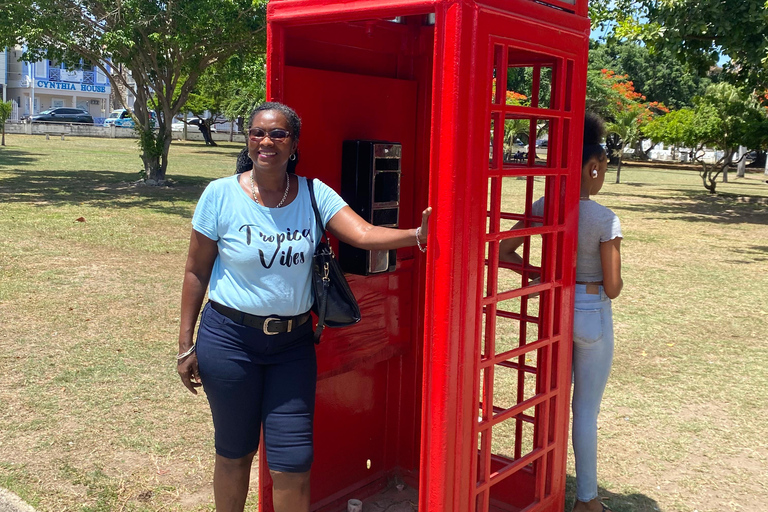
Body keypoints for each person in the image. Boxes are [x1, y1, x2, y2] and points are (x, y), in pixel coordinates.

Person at [176, 102, 431, 512]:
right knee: (234, 453)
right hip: (228, 341)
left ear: (293, 144)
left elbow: (363, 234)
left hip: (291, 347)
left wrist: (417, 234)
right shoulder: (219, 195)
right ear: (248, 140)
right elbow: (195, 271)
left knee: (293, 464)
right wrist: (186, 343)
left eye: (278, 134)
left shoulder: (313, 193)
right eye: (258, 132)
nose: (266, 142)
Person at [499, 113, 622, 512]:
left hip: (556, 310)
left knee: (551, 403)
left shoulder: (544, 203)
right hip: (592, 313)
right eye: (602, 168)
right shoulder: (605, 219)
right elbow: (615, 286)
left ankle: (540, 485)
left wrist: (542, 276)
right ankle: (587, 499)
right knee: (585, 410)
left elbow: (503, 252)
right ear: (593, 167)